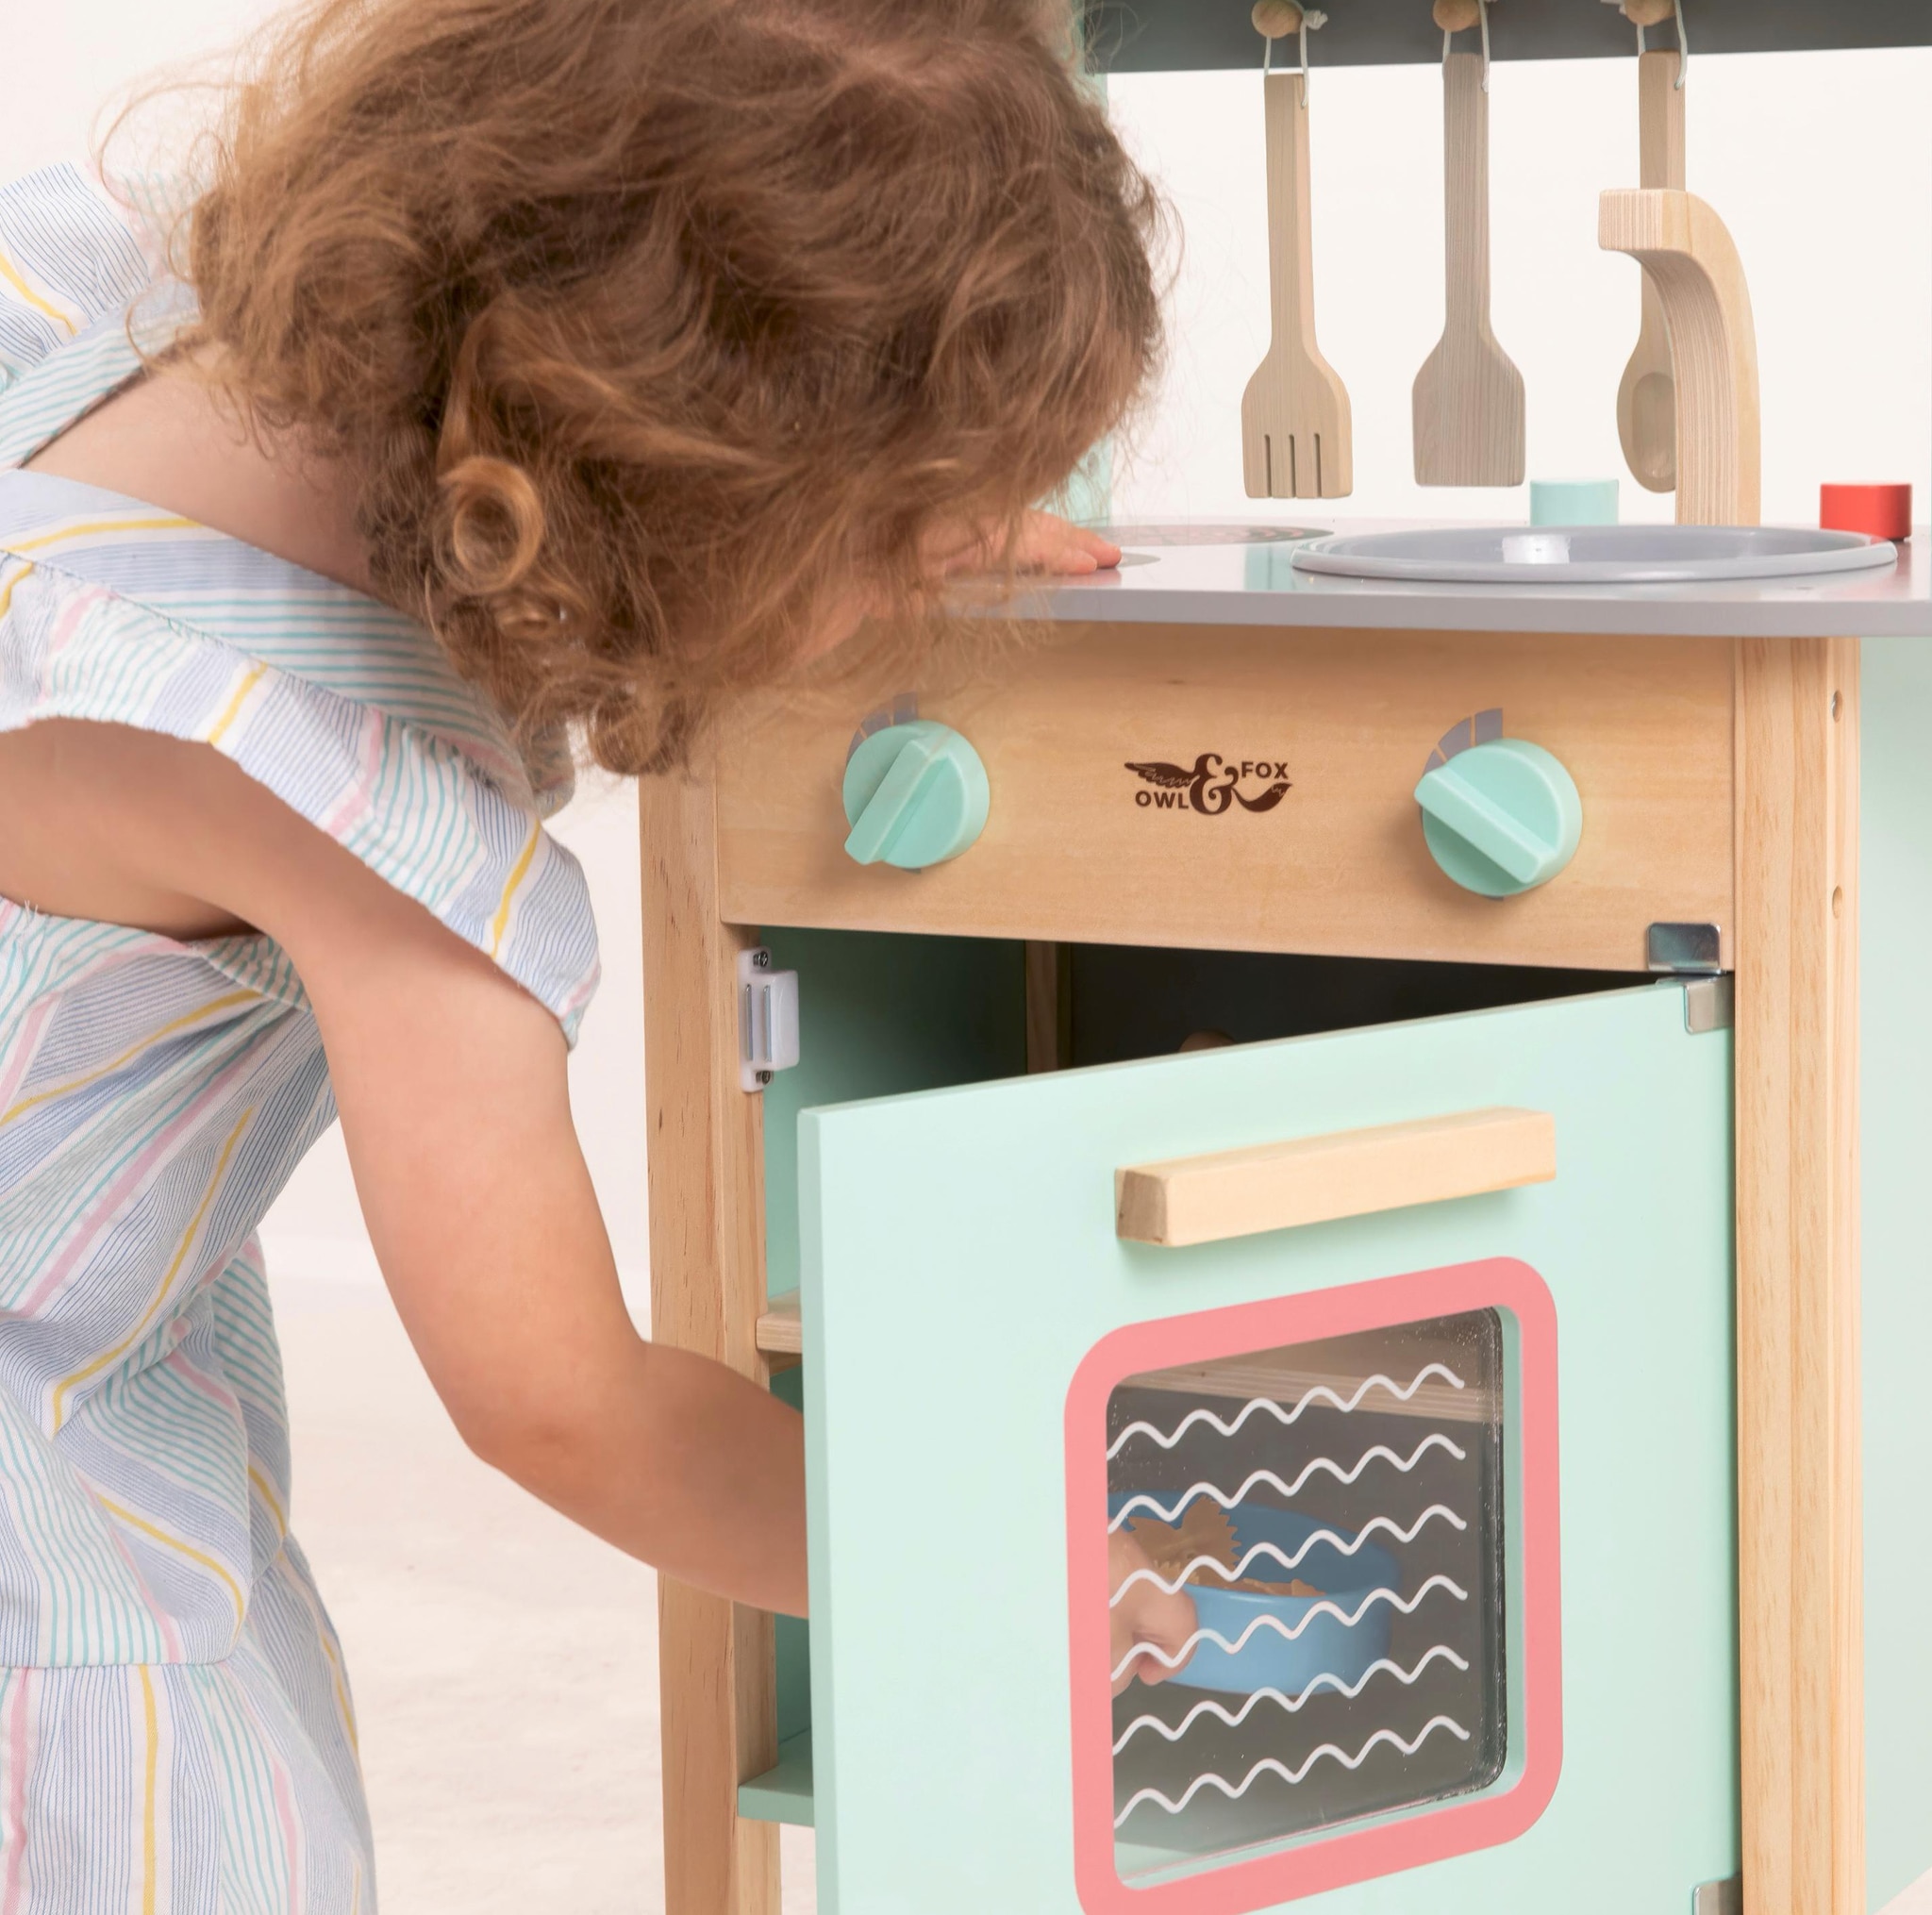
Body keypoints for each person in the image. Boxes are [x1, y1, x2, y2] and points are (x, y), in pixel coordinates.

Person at [0, 0, 1159, 1901]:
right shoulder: (326, 800)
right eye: (870, 536)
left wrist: (852, 494)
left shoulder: (105, 323)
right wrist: (1020, 1543)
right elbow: (568, 1399)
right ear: (701, 504)